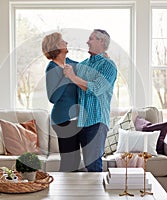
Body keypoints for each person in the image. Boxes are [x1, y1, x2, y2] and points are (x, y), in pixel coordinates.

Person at [63, 29, 117, 172]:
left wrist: (73, 77)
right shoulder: (82, 65)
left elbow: (96, 88)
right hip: (81, 122)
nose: (87, 42)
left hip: (97, 122)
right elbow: (69, 67)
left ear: (101, 42)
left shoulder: (108, 66)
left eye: (91, 38)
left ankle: (97, 195)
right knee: (86, 165)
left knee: (93, 165)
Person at [42, 32, 82, 172]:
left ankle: (71, 192)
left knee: (76, 160)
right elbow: (52, 97)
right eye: (63, 41)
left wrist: (102, 58)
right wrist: (66, 78)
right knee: (69, 161)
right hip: (62, 120)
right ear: (56, 46)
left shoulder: (71, 63)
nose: (66, 42)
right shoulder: (52, 68)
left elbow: (87, 67)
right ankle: (62, 192)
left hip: (76, 118)